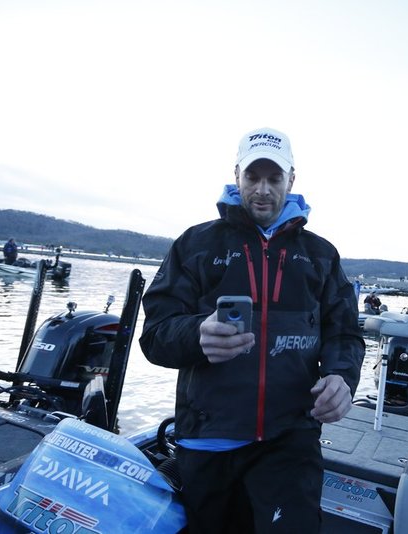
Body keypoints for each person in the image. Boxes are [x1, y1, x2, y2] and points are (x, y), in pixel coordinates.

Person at [139, 127, 365, 533]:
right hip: (208, 440)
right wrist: (196, 335)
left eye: (273, 178)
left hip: (289, 437)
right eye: (253, 177)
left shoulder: (320, 255)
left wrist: (341, 378)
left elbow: (345, 334)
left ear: (290, 180)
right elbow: (154, 335)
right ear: (237, 175)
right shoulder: (195, 244)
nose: (262, 189)